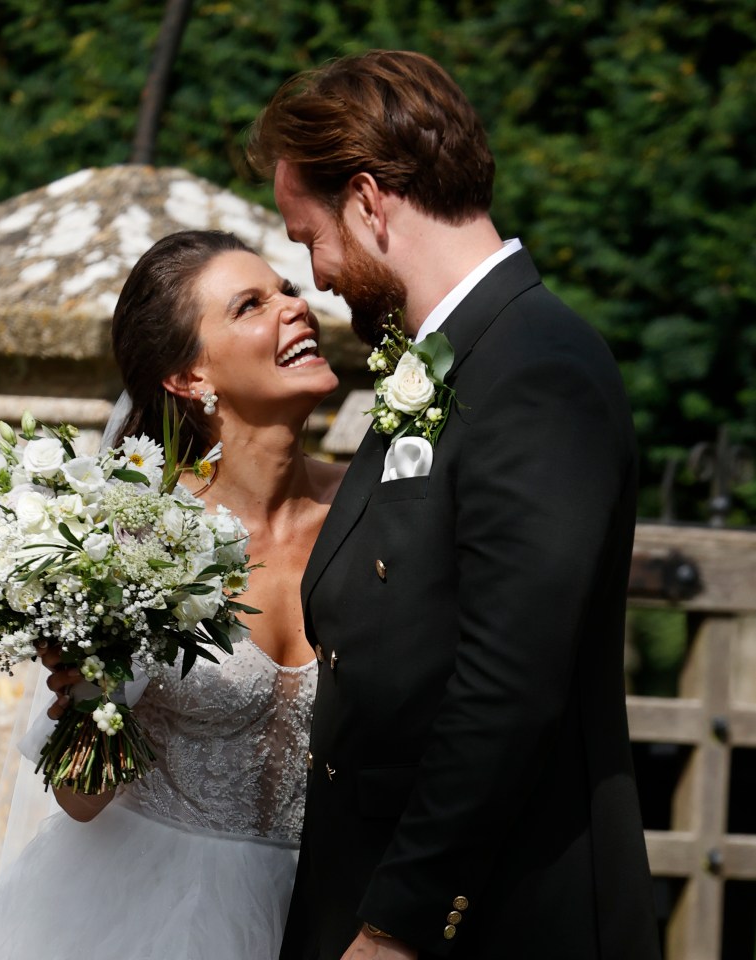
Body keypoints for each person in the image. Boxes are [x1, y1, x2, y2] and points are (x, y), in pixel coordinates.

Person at [248, 50, 661, 960]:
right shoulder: (453, 361)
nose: (315, 277)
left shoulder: (538, 369)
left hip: (488, 918)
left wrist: (398, 921)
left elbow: (508, 681)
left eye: (307, 237)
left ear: (366, 200)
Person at [0, 229, 344, 959]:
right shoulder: (138, 533)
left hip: (336, 905)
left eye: (287, 289)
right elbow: (79, 798)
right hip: (152, 915)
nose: (295, 308)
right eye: (251, 304)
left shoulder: (372, 515)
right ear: (190, 377)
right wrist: (89, 682)